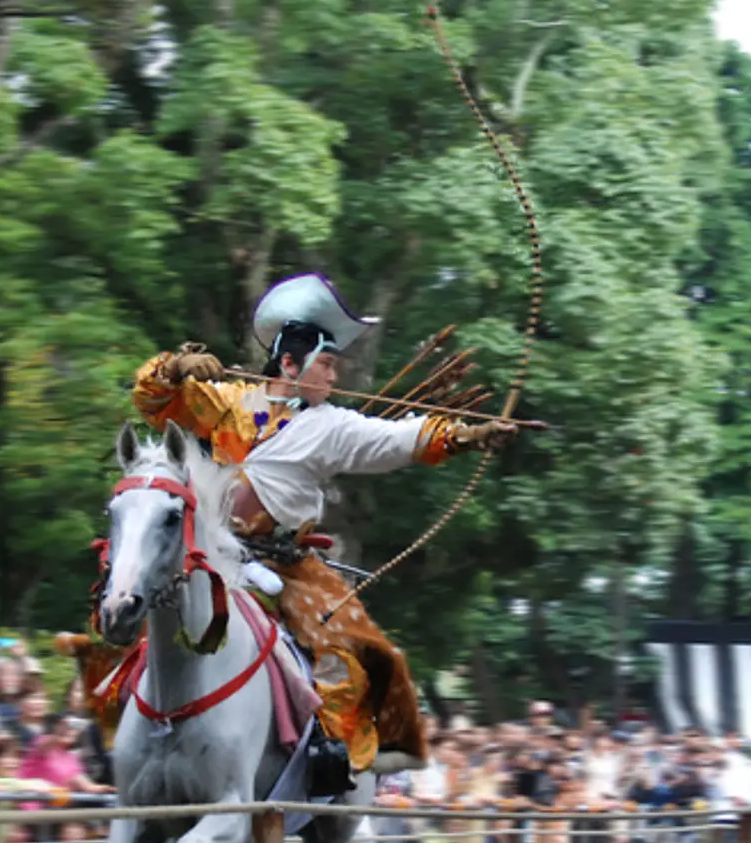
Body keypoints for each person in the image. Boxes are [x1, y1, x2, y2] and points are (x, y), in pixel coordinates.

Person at [128, 273, 515, 785]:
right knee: (129, 604)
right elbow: (151, 400)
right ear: (291, 363)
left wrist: (467, 435)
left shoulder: (332, 424)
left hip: (285, 565)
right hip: (208, 553)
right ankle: (129, 733)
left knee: (360, 652)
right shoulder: (225, 402)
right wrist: (176, 366)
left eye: (334, 367)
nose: (333, 377)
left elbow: (400, 437)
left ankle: (330, 758)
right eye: (327, 365)